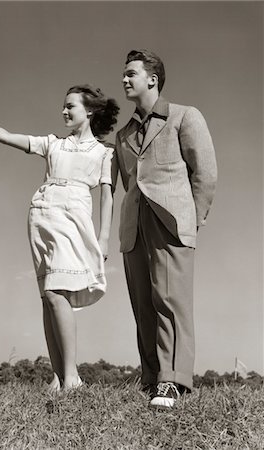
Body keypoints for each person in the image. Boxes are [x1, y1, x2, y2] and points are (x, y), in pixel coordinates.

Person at [0, 84, 119, 391]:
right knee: (48, 296)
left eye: (70, 106)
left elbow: (108, 197)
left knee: (58, 292)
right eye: (63, 106)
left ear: (89, 111)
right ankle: (59, 376)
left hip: (74, 216)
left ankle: (72, 376)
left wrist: (103, 239)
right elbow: (8, 137)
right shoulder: (52, 144)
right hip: (42, 214)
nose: (63, 111)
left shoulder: (105, 153)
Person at [112, 50, 217, 408]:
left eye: (131, 74)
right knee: (143, 305)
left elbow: (204, 173)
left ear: (152, 79)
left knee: (171, 301)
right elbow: (128, 182)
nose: (124, 80)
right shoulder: (122, 134)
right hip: (134, 225)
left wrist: (193, 220)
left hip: (172, 222)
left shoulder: (185, 117)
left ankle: (173, 382)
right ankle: (152, 378)